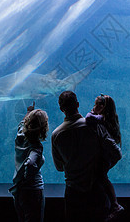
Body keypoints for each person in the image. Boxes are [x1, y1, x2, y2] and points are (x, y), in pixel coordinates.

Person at [51, 91, 122, 222]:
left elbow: (59, 167)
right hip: (96, 190)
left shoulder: (56, 135)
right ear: (77, 104)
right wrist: (103, 169)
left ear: (61, 109)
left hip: (73, 192)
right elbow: (116, 153)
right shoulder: (94, 126)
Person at [85, 94, 124, 221]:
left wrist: (93, 112)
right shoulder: (107, 118)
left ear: (102, 107)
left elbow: (88, 117)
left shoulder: (101, 119)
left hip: (105, 158)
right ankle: (113, 205)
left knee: (101, 177)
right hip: (106, 157)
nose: (93, 107)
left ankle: (115, 205)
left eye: (96, 104)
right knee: (102, 178)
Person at [9, 102, 49, 222]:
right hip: (33, 190)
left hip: (18, 190)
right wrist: (29, 177)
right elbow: (31, 163)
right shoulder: (36, 147)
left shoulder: (20, 134)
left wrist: (29, 112)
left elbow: (22, 123)